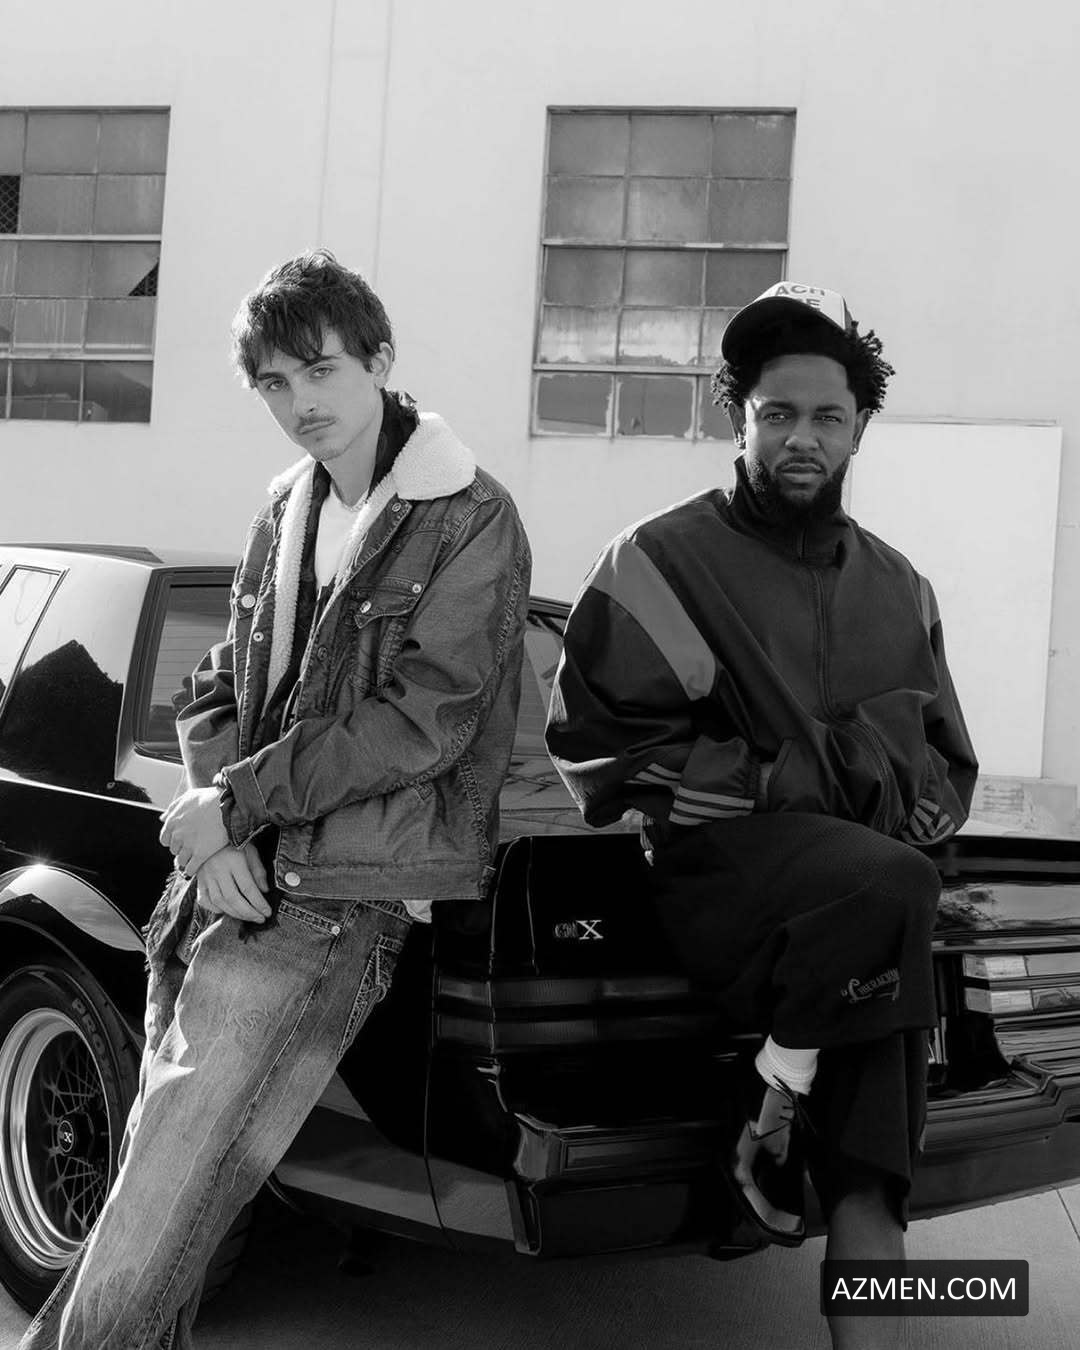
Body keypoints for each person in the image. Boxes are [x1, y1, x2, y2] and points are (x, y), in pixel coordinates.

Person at [20, 248, 531, 1349]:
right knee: (157, 1196)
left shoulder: (469, 516)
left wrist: (235, 807)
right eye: (274, 384)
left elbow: (423, 721)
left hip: (340, 895)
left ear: (381, 360)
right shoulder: (285, 507)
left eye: (322, 370)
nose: (302, 404)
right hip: (227, 882)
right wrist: (213, 829)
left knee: (163, 1199)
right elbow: (218, 682)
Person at [545, 282, 977, 1350]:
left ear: (860, 428)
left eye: (828, 416)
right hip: (721, 880)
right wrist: (787, 784)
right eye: (776, 413)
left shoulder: (903, 587)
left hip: (861, 916)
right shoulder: (656, 560)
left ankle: (770, 1125)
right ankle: (778, 1085)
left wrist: (886, 802)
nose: (801, 438)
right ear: (736, 417)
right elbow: (598, 749)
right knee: (895, 882)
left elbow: (945, 768)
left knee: (873, 1182)